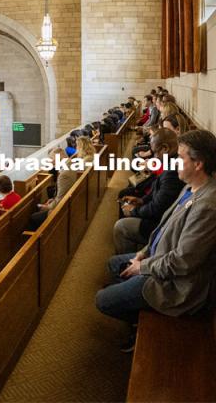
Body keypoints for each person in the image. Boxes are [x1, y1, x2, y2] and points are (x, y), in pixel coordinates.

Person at [96, 130, 216, 339]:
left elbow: (183, 262)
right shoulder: (190, 186)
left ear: (198, 164)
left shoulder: (207, 206)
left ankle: (140, 323)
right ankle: (134, 301)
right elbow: (164, 226)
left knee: (102, 300)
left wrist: (142, 267)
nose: (175, 162)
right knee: (114, 265)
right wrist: (142, 253)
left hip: (174, 283)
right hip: (157, 256)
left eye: (180, 157)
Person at [114, 129, 185, 254]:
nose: (155, 156)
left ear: (165, 148)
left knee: (120, 227)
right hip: (161, 215)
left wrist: (134, 211)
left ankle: (126, 264)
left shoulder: (172, 172)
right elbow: (158, 190)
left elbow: (158, 208)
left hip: (161, 224)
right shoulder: (169, 162)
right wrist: (142, 200)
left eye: (155, 152)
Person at [29, 148, 77, 231]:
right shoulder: (70, 164)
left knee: (33, 217)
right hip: (67, 201)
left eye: (52, 159)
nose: (50, 161)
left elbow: (60, 200)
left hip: (61, 209)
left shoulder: (64, 174)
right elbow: (62, 193)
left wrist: (47, 206)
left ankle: (37, 240)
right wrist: (52, 199)